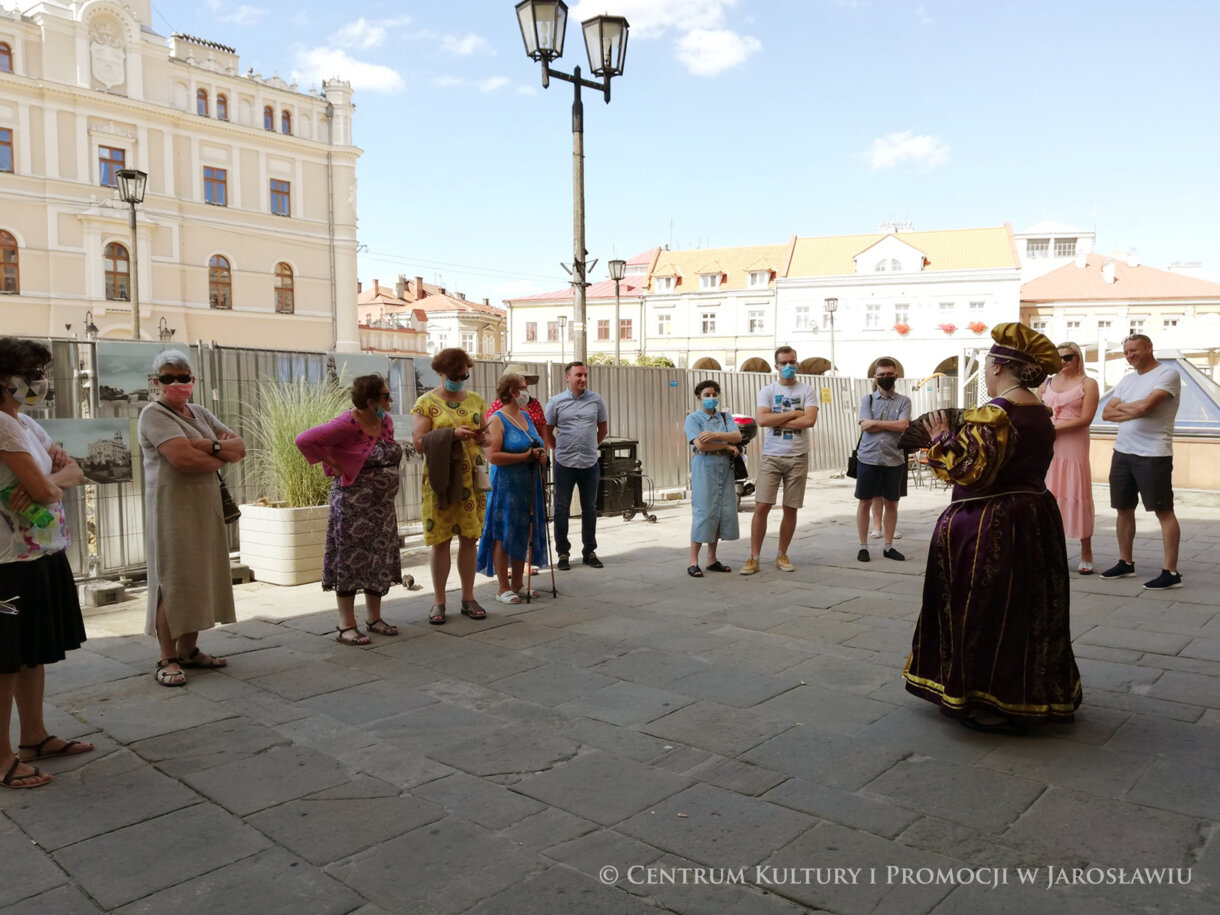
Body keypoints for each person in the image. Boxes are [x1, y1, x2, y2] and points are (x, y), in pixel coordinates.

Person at [903, 323, 1081, 732]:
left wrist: (942, 441)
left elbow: (973, 472)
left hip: (989, 522)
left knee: (982, 608)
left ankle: (987, 696)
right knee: (1029, 606)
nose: (984, 372)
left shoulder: (996, 411)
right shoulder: (1038, 409)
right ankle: (1035, 692)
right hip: (1036, 515)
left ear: (999, 366)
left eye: (986, 364)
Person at [0, 338, 93, 789]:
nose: (38, 382)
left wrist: (51, 480)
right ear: (5, 378)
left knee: (30, 653)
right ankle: (1, 759)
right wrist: (51, 483)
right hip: (7, 560)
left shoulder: (26, 424)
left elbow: (72, 473)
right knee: (4, 661)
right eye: (32, 374)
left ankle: (33, 737)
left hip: (38, 550)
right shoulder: (1, 424)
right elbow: (47, 491)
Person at [138, 350, 246, 686]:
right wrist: (218, 451)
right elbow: (182, 459)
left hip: (204, 506)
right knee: (171, 581)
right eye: (168, 378)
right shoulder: (153, 414)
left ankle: (190, 649)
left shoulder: (199, 411)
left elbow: (239, 448)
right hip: (172, 509)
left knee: (201, 577)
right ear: (156, 382)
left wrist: (206, 446)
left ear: (192, 380)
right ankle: (167, 657)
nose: (176, 383)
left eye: (182, 377)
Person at [296, 375, 404, 645]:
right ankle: (346, 625)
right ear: (370, 401)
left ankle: (374, 618)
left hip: (382, 508)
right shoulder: (347, 423)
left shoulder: (384, 420)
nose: (390, 400)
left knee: (377, 558)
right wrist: (337, 464)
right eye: (385, 396)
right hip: (353, 506)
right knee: (350, 560)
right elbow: (304, 440)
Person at [412, 347, 489, 623]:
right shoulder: (426, 403)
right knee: (441, 541)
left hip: (473, 480)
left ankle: (469, 598)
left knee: (470, 539)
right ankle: (439, 601)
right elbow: (419, 443)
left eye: (464, 374)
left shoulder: (477, 401)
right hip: (441, 480)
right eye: (455, 375)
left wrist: (483, 439)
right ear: (440, 373)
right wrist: (451, 435)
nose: (461, 379)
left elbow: (489, 438)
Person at [1099, 334, 1183, 590]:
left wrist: (1128, 408)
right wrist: (1133, 409)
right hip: (1123, 452)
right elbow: (1105, 413)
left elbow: (1147, 407)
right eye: (1126, 352)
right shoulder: (1126, 380)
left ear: (1149, 347)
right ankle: (1126, 562)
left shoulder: (1167, 375)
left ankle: (1171, 572)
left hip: (1153, 454)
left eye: (1134, 350)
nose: (1130, 355)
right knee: (1123, 508)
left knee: (1163, 511)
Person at [740, 346, 818, 575]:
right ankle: (754, 557)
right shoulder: (767, 390)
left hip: (798, 456)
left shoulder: (807, 390)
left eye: (792, 361)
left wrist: (779, 419)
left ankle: (782, 554)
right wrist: (795, 413)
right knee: (762, 505)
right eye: (783, 362)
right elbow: (762, 420)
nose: (788, 366)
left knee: (790, 507)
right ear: (776, 366)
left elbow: (810, 421)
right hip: (772, 456)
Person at [477, 371, 548, 603]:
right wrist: (524, 457)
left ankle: (518, 584)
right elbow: (492, 456)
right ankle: (503, 587)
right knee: (503, 532)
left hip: (528, 485)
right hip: (506, 485)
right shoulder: (497, 419)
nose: (527, 392)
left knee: (522, 531)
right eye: (523, 387)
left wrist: (540, 456)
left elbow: (535, 443)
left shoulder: (526, 417)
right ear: (512, 391)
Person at [1040, 342, 1099, 574]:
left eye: (1068, 357)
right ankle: (1051, 552)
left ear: (1078, 358)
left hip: (1073, 444)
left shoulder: (1089, 383)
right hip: (1049, 445)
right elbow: (1036, 408)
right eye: (1059, 358)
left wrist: (1054, 429)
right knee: (1049, 494)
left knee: (1077, 491)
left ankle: (1086, 551)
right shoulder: (1047, 383)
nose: (1063, 362)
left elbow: (1086, 419)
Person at [544, 362, 608, 571]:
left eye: (585, 375)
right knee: (562, 509)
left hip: (590, 462)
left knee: (589, 508)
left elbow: (602, 429)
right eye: (578, 375)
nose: (583, 379)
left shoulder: (596, 400)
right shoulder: (555, 402)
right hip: (565, 463)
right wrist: (557, 449)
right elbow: (547, 430)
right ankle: (563, 553)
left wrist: (590, 445)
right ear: (567, 378)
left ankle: (589, 551)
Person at [855, 359, 911, 562]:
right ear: (875, 377)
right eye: (881, 375)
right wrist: (891, 424)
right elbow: (865, 427)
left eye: (889, 374)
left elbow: (903, 425)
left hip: (893, 459)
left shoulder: (904, 401)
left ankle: (888, 546)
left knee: (892, 503)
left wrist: (875, 423)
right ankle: (863, 547)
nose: (885, 378)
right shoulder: (867, 400)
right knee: (865, 502)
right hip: (868, 457)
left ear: (896, 376)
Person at [685, 380, 742, 577]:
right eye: (706, 395)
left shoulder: (725, 417)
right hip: (704, 467)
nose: (711, 398)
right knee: (703, 512)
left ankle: (712, 558)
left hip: (724, 468)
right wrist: (725, 445)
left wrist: (715, 435)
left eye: (714, 394)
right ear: (699, 397)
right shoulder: (693, 419)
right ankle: (693, 561)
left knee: (720, 511)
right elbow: (700, 446)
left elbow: (737, 436)